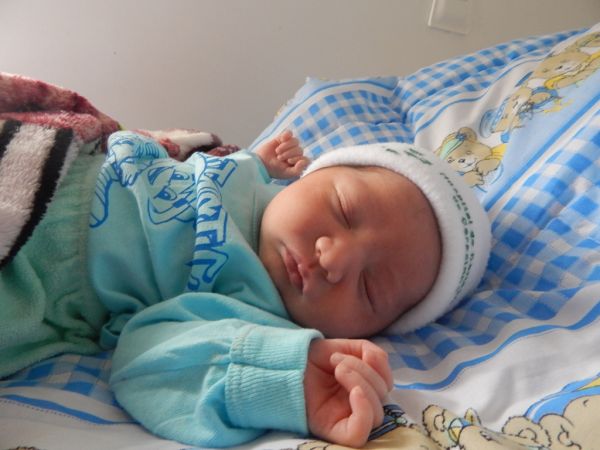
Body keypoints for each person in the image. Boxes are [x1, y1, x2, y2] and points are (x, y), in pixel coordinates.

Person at [0, 129, 491, 448]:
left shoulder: (256, 315)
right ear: (313, 176)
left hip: (37, 273)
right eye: (343, 210)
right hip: (57, 163)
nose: (335, 259)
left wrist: (287, 378)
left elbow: (153, 364)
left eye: (370, 287)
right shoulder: (255, 180)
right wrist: (257, 160)